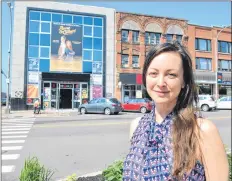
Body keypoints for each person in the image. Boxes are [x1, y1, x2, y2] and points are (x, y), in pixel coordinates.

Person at [122, 41, 229, 181]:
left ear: (183, 81)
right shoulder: (137, 126)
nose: (160, 83)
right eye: (153, 73)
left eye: (171, 75)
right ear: (145, 77)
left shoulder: (201, 130)